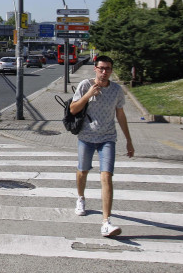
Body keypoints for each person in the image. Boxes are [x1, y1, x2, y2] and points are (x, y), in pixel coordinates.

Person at [70, 55, 134, 237]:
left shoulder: (116, 90)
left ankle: (106, 222)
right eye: (101, 68)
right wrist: (89, 94)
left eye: (108, 69)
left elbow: (120, 115)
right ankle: (81, 198)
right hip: (86, 137)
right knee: (82, 171)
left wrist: (129, 140)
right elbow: (73, 109)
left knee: (107, 177)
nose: (104, 72)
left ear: (111, 71)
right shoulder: (84, 85)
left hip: (108, 138)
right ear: (95, 69)